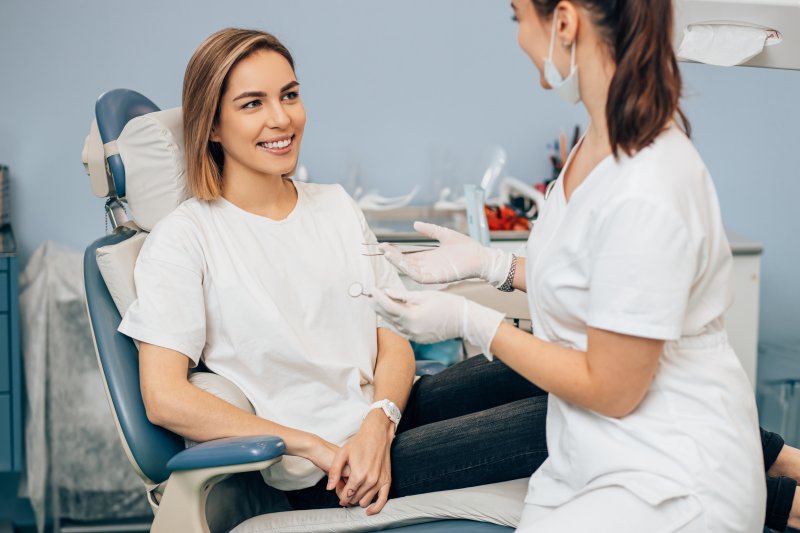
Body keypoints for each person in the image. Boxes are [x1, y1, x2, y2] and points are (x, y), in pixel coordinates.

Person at [117, 28, 550, 515]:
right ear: (212, 126)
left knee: (555, 363)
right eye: (252, 104)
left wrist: (379, 421)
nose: (281, 119)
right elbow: (165, 398)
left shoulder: (336, 206)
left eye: (290, 95)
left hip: (383, 419)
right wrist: (313, 447)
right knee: (563, 420)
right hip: (328, 470)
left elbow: (392, 336)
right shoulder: (185, 238)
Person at [370, 0, 766, 531]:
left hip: (673, 479)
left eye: (517, 18)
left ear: (563, 22)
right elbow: (600, 279)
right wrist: (493, 266)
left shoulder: (647, 185)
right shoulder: (598, 143)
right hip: (592, 456)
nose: (517, 38)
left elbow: (612, 388)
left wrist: (473, 322)